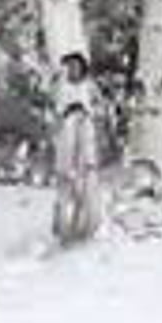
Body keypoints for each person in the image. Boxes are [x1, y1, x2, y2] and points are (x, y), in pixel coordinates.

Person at [51, 51, 104, 246]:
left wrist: (85, 113)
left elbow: (99, 111)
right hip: (66, 141)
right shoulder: (61, 87)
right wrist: (67, 113)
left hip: (85, 142)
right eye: (69, 66)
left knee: (85, 186)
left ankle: (86, 227)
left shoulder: (90, 88)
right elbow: (55, 112)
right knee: (66, 185)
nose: (73, 70)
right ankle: (64, 230)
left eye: (76, 66)